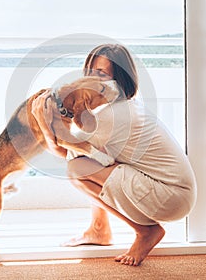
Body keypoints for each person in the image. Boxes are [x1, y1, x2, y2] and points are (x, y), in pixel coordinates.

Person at [31, 44, 197, 266]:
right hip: (175, 192)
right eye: (90, 72)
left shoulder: (111, 116)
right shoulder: (121, 105)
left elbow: (62, 151)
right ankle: (99, 230)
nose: (92, 79)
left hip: (172, 197)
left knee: (77, 169)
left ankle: (146, 232)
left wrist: (41, 118)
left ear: (119, 79)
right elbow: (90, 151)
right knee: (92, 163)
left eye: (101, 74)